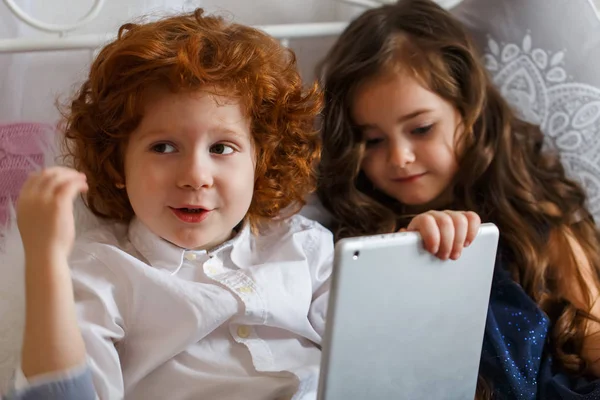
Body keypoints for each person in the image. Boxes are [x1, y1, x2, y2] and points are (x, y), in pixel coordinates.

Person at [6, 8, 477, 400]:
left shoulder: (304, 248)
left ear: (260, 160)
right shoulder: (104, 270)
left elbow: (385, 363)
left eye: (222, 148)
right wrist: (45, 257)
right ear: (117, 164)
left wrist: (415, 260)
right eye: (163, 147)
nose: (195, 176)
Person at [317, 0, 600, 398]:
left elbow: (592, 337)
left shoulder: (537, 215)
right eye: (373, 140)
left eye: (421, 128)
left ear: (469, 112)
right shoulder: (350, 247)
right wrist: (409, 251)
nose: (399, 157)